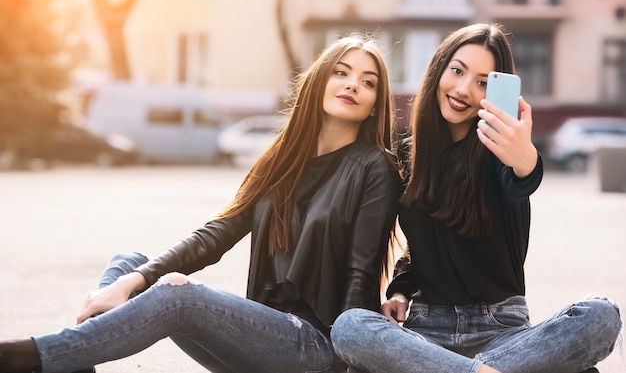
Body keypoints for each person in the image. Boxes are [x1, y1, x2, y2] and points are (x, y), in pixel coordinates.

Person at [0, 33, 403, 373]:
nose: (353, 85)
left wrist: (353, 361)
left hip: (317, 346)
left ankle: (34, 355)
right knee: (129, 263)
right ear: (319, 81)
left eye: (368, 82)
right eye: (341, 72)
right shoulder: (283, 158)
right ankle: (76, 357)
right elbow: (218, 234)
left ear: (374, 103)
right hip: (263, 335)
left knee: (180, 295)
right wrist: (132, 281)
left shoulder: (375, 167)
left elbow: (359, 273)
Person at [330, 23, 623, 373]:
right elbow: (425, 246)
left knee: (601, 315)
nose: (464, 89)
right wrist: (400, 291)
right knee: (350, 327)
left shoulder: (500, 153)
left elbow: (522, 179)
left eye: (483, 82)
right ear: (438, 70)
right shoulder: (409, 156)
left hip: (502, 331)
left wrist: (524, 158)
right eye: (457, 71)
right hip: (428, 332)